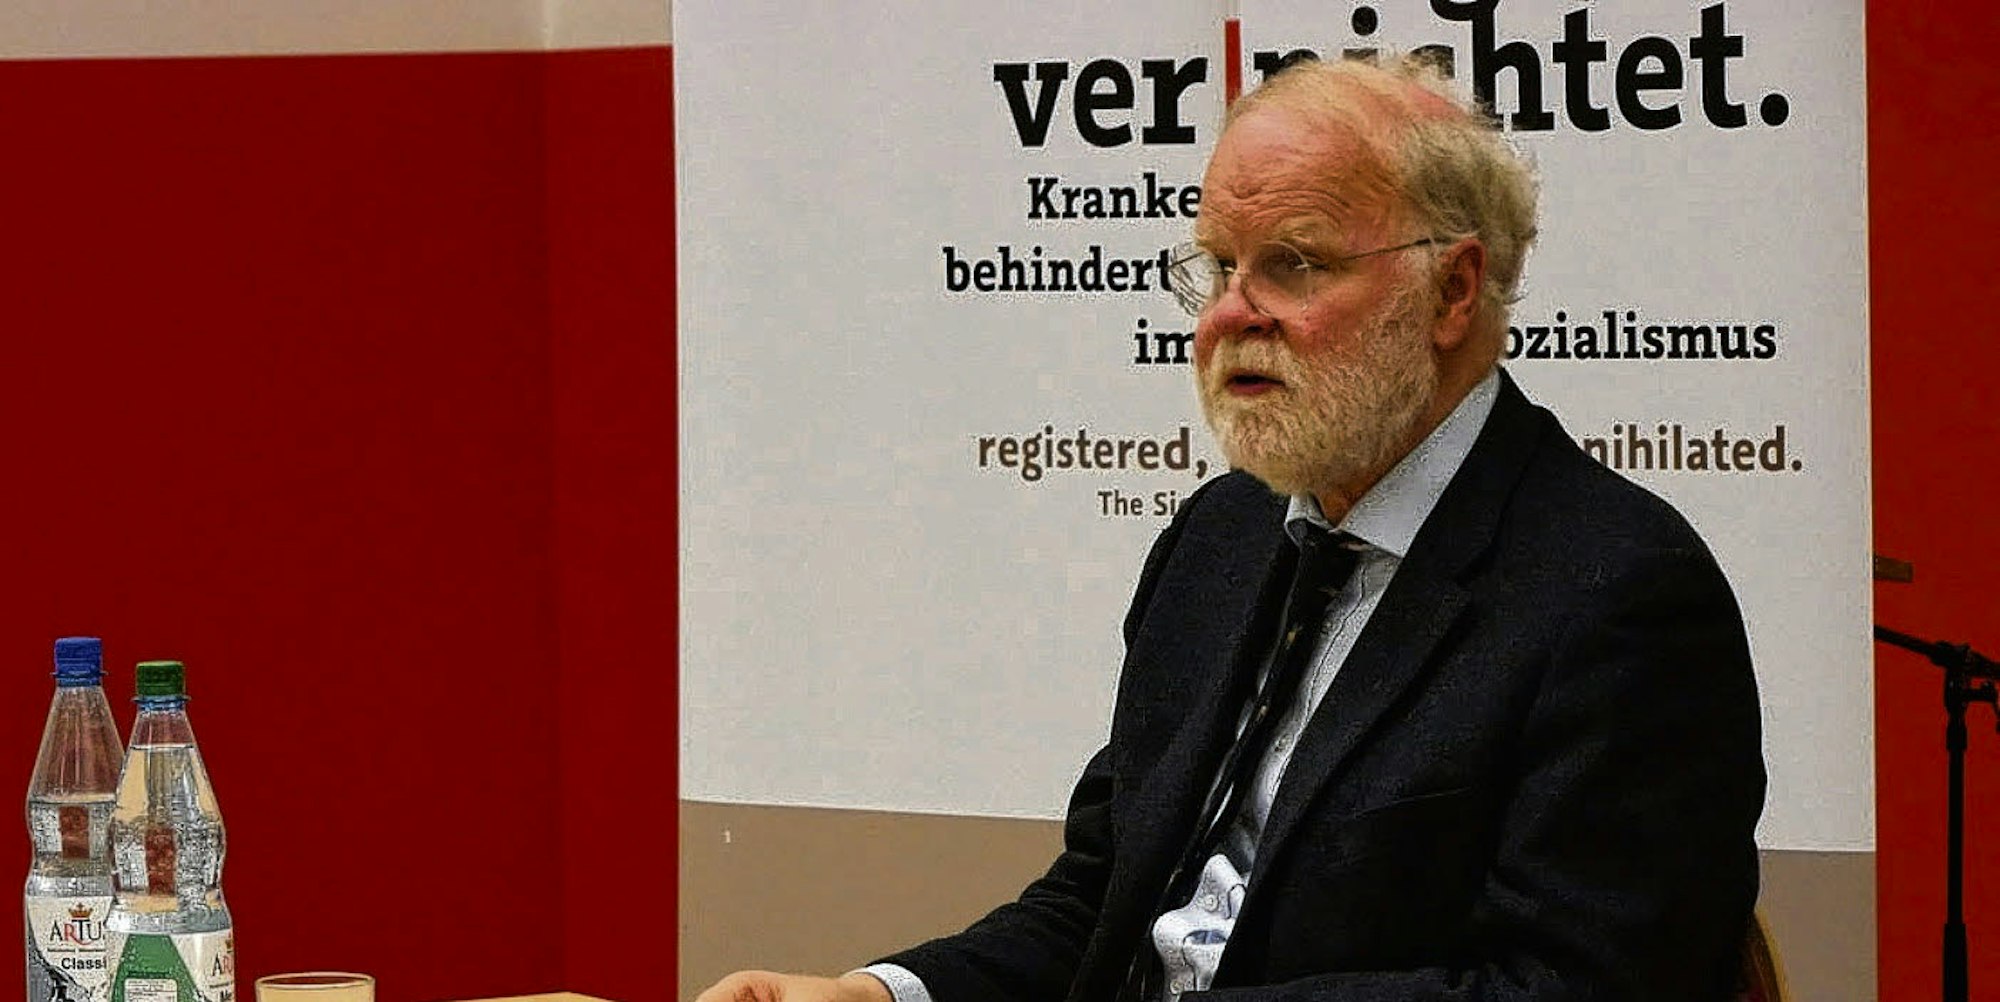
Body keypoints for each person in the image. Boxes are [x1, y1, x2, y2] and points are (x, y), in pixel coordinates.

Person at [697, 54, 1764, 1002]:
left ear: (1451, 289)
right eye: (1217, 266)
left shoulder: (1616, 595)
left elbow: (1575, 984)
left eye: (1293, 263)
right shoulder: (1221, 538)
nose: (1227, 315)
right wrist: (880, 993)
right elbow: (1108, 904)